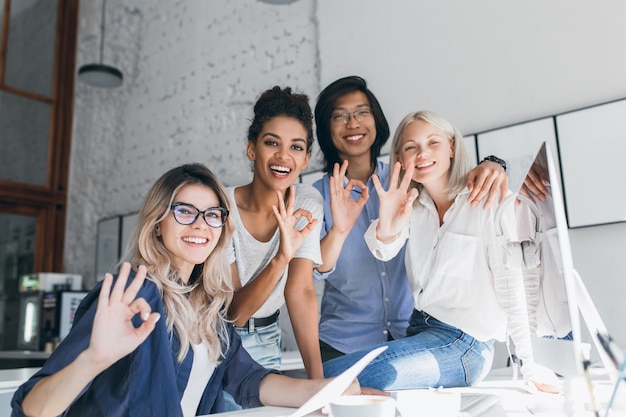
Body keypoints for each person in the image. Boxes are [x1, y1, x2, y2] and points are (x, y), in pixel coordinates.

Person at [11, 163, 359, 417]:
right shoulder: (132, 295)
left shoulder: (209, 308)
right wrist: (93, 360)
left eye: (212, 215)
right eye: (184, 211)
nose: (199, 224)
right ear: (157, 224)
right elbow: (31, 408)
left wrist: (326, 391)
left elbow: (250, 381)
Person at [322, 111, 560, 392]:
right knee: (326, 374)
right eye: (411, 147)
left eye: (433, 142)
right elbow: (383, 249)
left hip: (465, 345)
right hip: (418, 331)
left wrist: (529, 363)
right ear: (400, 158)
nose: (422, 153)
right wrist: (388, 222)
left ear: (452, 148)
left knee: (334, 378)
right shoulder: (414, 208)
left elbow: (515, 287)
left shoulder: (490, 201)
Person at [312, 76, 509, 362]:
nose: (353, 123)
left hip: (414, 336)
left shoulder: (412, 182)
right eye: (339, 116)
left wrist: (494, 163)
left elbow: (449, 178)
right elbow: (316, 270)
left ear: (376, 120)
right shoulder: (317, 197)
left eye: (362, 112)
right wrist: (341, 230)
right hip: (343, 340)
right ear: (326, 129)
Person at [227, 86, 324, 379]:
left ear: (306, 159)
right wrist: (281, 257)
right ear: (252, 148)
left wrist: (317, 383)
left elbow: (301, 289)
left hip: (267, 338)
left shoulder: (307, 203)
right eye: (272, 143)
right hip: (214, 337)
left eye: (296, 147)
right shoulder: (220, 206)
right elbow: (235, 314)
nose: (283, 156)